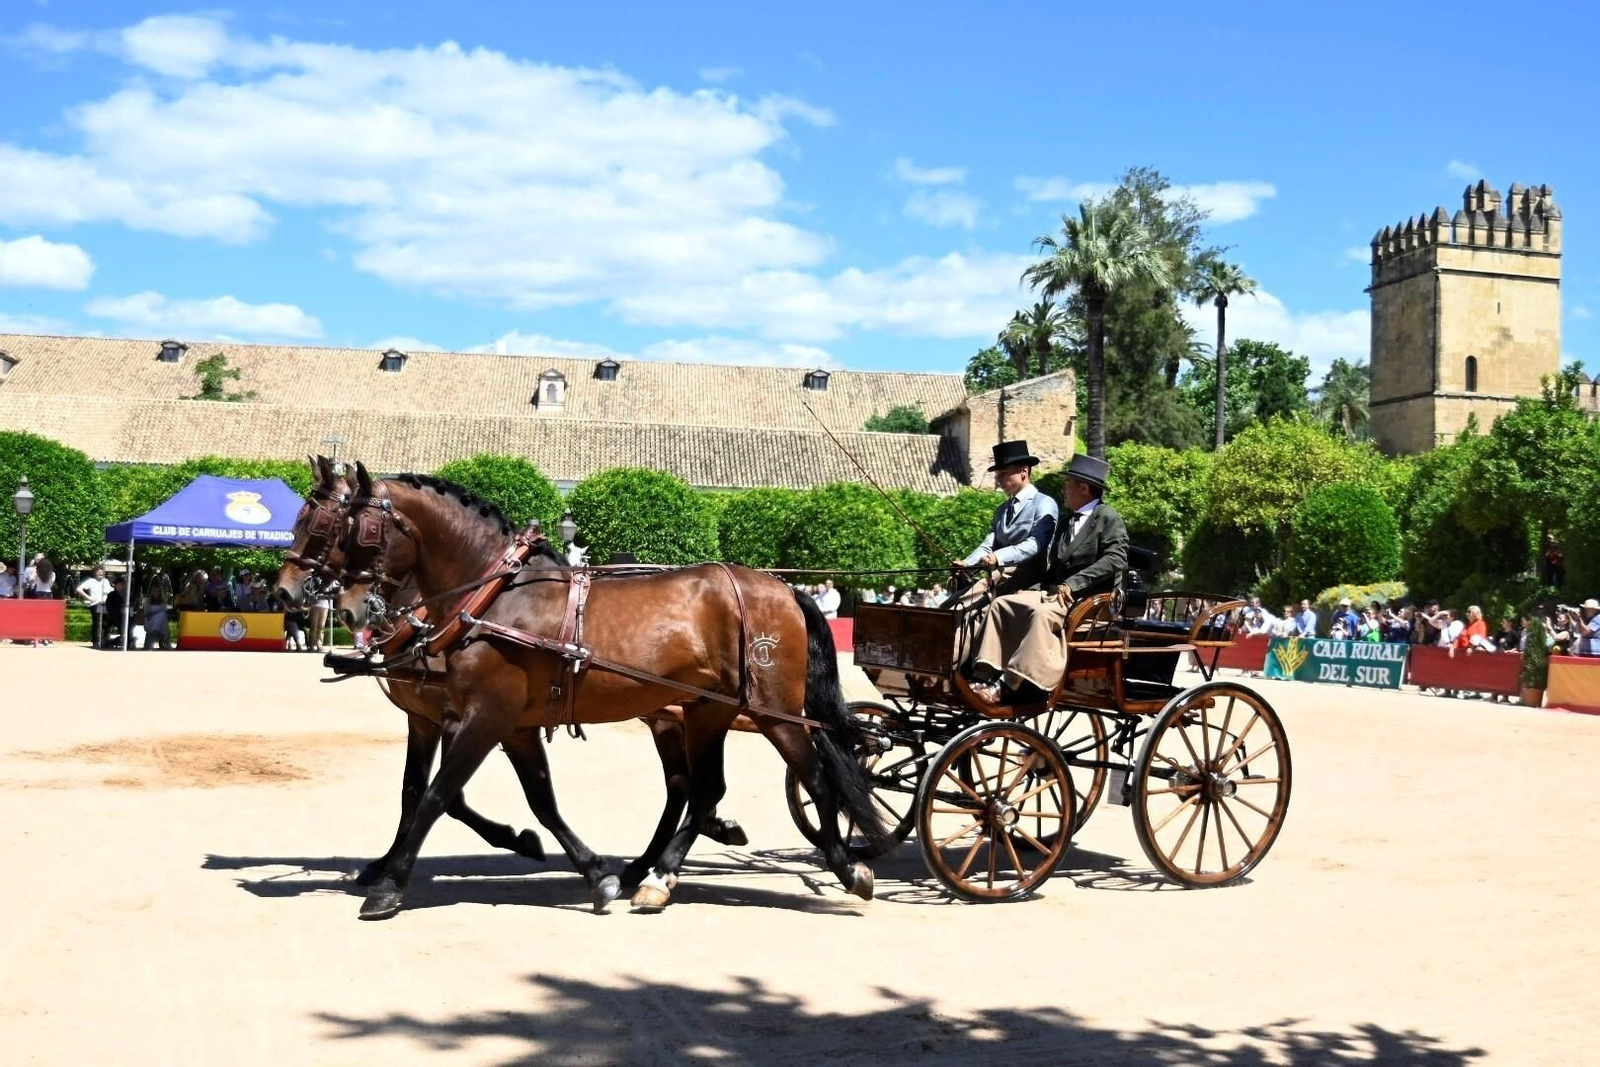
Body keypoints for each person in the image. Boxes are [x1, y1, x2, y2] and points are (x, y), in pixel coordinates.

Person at [967, 453, 1126, 704]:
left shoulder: (1107, 517)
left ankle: (1010, 683)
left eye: (1068, 483)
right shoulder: (1065, 522)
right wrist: (1026, 589)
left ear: (1084, 488)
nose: (1064, 488)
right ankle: (983, 673)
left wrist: (1073, 585)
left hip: (1091, 601)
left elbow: (1116, 559)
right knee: (1003, 604)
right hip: (1057, 594)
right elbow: (1053, 570)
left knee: (1042, 615)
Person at [951, 440, 1060, 605]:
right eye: (997, 475)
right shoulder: (1002, 509)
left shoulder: (1044, 503)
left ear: (1024, 471)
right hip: (997, 577)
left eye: (1003, 473)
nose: (998, 480)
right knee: (952, 604)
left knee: (966, 607)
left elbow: (1035, 544)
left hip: (1028, 580)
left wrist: (998, 556)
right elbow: (990, 542)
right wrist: (967, 563)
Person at [75, 566, 112, 649]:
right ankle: (95, 642)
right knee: (97, 623)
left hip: (105, 604)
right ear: (95, 573)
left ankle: (105, 641)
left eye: (102, 572)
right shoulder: (91, 581)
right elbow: (79, 589)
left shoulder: (106, 581)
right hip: (95, 604)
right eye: (99, 572)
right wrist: (89, 598)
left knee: (106, 623)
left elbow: (110, 590)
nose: (101, 574)